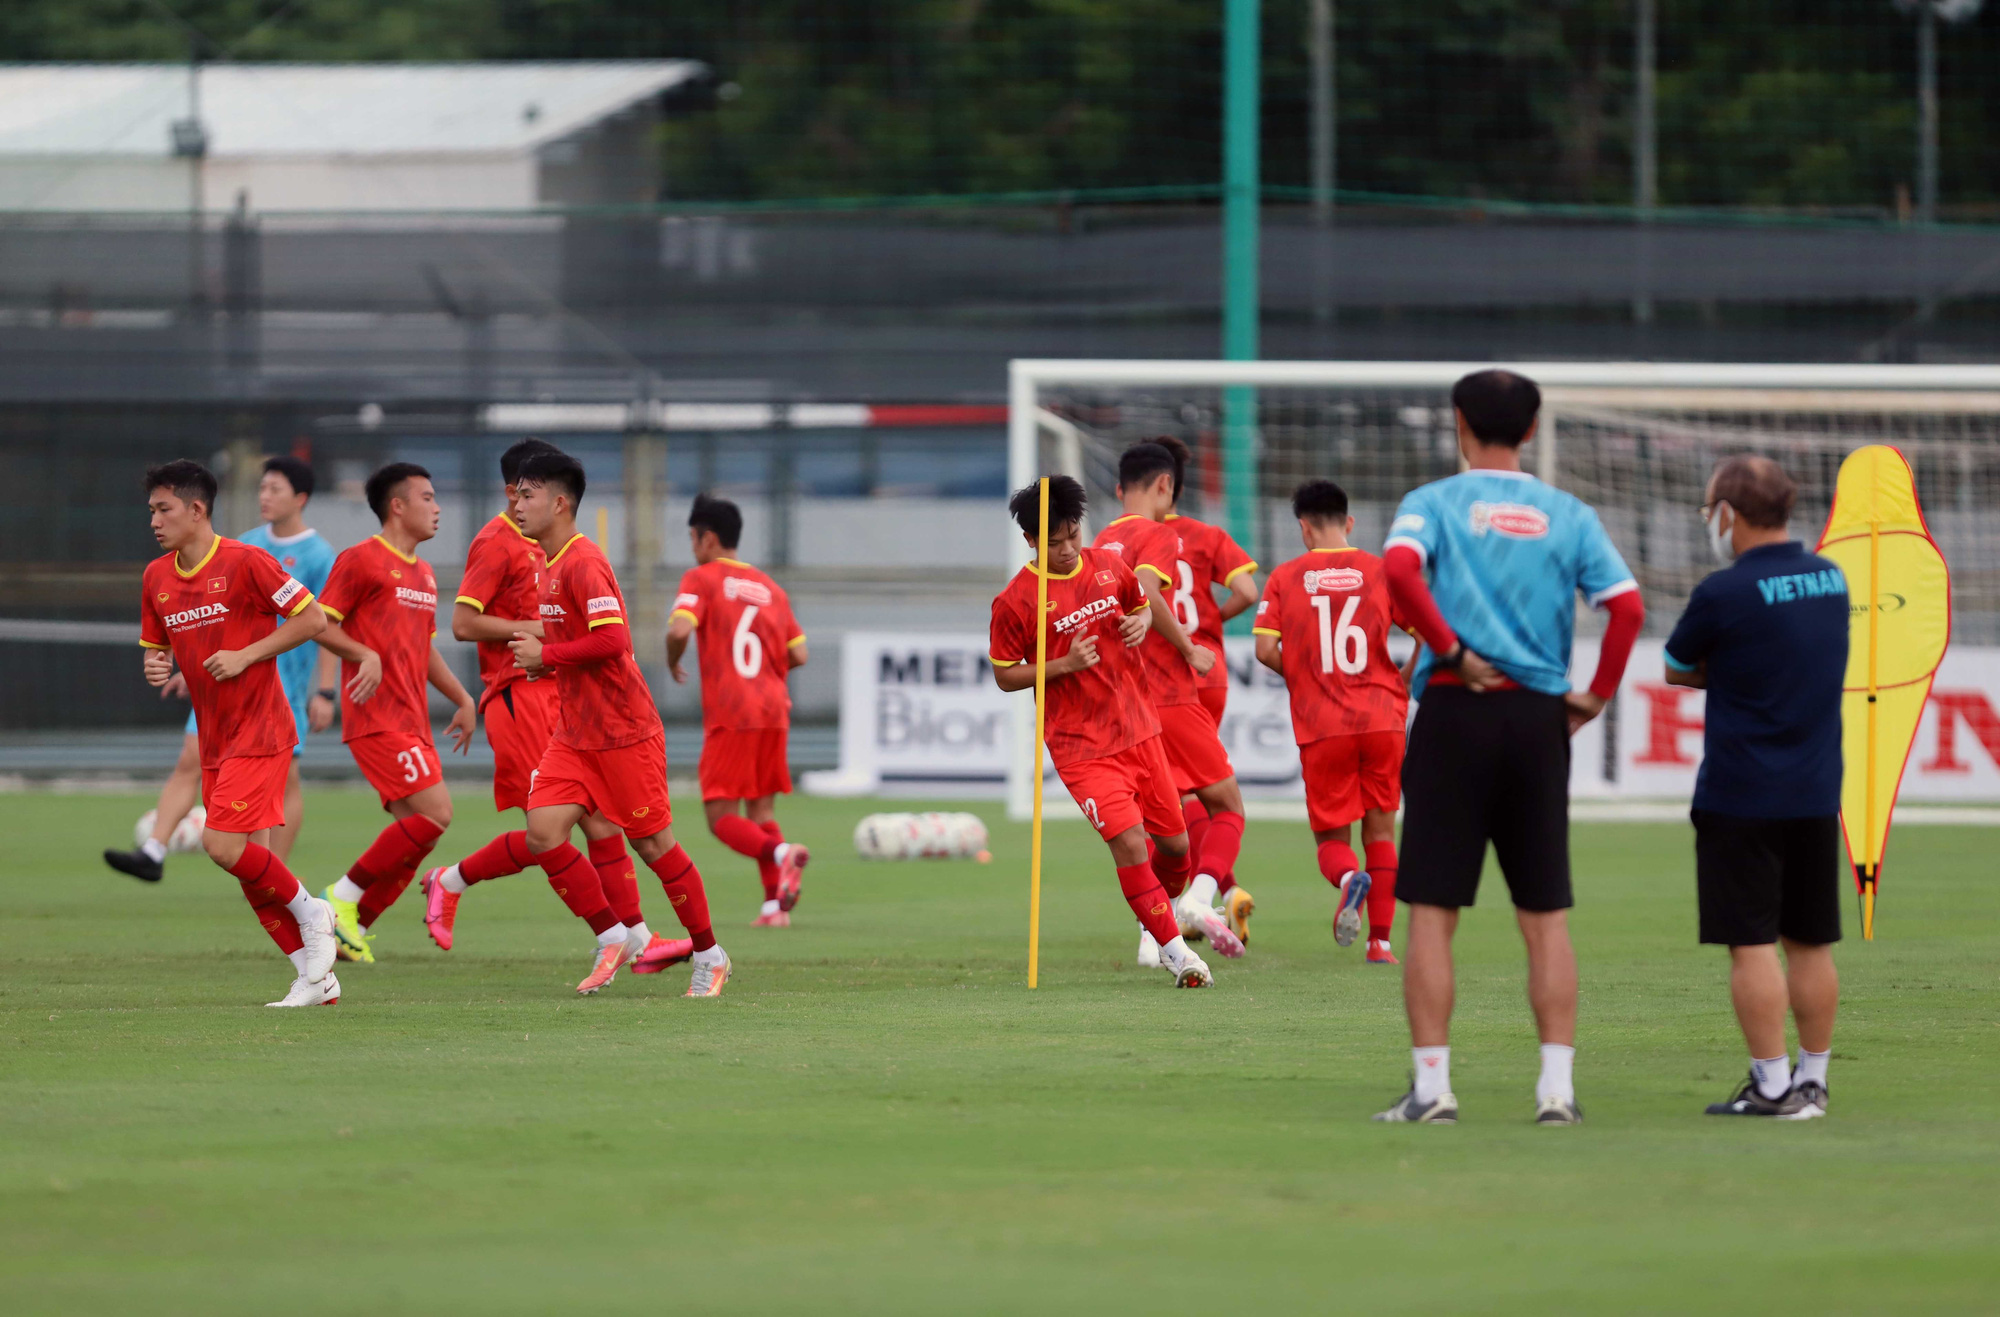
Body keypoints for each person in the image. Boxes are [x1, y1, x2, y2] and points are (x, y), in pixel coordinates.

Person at [1373, 369, 1645, 1125]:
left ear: (1458, 422)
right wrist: (1593, 696)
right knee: (1545, 913)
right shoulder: (1570, 513)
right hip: (1536, 719)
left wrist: (1451, 649)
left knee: (1432, 910)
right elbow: (1626, 607)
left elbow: (1398, 569)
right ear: (1531, 430)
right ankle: (1554, 1091)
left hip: (1458, 709)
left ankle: (1432, 1090)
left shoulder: (1431, 503)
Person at [430, 450, 729, 996]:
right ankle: (614, 934)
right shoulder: (547, 563)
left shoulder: (582, 561)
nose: (516, 504)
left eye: (527, 495)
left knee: (654, 845)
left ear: (560, 503)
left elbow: (615, 641)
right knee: (544, 833)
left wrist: (548, 658)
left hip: (622, 730)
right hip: (575, 733)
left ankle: (710, 953)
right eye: (516, 494)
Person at [1665, 456, 1846, 1120]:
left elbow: (1678, 664)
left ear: (1729, 515)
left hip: (1741, 792)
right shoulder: (1830, 579)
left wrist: (1734, 671)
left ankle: (1772, 1085)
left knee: (1751, 941)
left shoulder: (1723, 592)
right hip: (1816, 787)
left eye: (1709, 507)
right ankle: (1814, 1079)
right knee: (1810, 940)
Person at [990, 474, 1214, 988]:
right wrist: (1061, 665)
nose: (1068, 549)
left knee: (1176, 848)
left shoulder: (1112, 567)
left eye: (1073, 535)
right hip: (1080, 748)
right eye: (1054, 542)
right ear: (1029, 541)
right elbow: (1005, 675)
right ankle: (1179, 955)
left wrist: (1138, 625)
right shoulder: (1016, 601)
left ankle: (1154, 913)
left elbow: (1138, 609)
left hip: (1140, 730)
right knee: (1131, 844)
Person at [136, 459, 340, 1006]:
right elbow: (158, 649)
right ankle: (314, 979)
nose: (154, 521)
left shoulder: (248, 561)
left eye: (164, 509)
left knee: (221, 845)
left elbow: (314, 619)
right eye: (151, 510)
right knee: (254, 869)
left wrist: (248, 654)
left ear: (197, 510)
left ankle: (314, 910)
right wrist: (159, 666)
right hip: (215, 735)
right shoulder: (157, 577)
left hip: (263, 727)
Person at [104, 456, 334, 881]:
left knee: (283, 786)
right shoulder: (230, 546)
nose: (264, 496)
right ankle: (157, 849)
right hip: (215, 691)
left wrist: (325, 689)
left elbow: (323, 623)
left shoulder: (314, 555)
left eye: (274, 489)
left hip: (277, 691)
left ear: (300, 498)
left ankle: (280, 882)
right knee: (190, 763)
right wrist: (173, 667)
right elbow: (199, 624)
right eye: (261, 488)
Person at [311, 463, 477, 963]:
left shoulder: (424, 574)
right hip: (375, 718)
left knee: (420, 835)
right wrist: (364, 654)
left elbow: (424, 651)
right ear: (397, 506)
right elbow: (318, 623)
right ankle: (341, 897)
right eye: (427, 497)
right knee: (438, 813)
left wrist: (463, 698)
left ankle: (349, 929)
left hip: (413, 721)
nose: (438, 507)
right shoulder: (360, 560)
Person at [1091, 442, 1248, 964]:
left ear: (1119, 489)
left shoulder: (1101, 540)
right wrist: (1188, 646)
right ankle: (1201, 900)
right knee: (1224, 803)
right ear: (1167, 486)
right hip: (1173, 693)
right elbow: (1146, 589)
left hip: (1125, 701)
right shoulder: (1161, 533)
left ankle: (1150, 936)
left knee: (1164, 820)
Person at [1253, 480, 1408, 965]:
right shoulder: (1382, 572)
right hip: (1383, 719)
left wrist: (1306, 677)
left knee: (1331, 840)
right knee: (1381, 833)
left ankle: (1347, 880)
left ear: (1303, 528)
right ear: (1350, 522)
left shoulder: (1284, 576)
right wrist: (1402, 682)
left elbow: (1263, 649)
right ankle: (1380, 943)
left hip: (1324, 724)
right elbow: (1428, 632)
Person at [667, 494, 812, 927]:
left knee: (720, 817)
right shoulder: (771, 588)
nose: (693, 547)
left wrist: (674, 657)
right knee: (762, 813)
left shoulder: (702, 577)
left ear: (707, 538)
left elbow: (679, 628)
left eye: (693, 538)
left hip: (733, 711)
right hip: (773, 709)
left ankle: (782, 853)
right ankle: (774, 908)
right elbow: (799, 654)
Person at [1151, 435, 1260, 946]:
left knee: (1175, 792)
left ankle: (1186, 902)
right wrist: (1210, 622)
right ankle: (1222, 886)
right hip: (1209, 672)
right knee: (1206, 786)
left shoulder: (1131, 538)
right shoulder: (1206, 534)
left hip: (1165, 674)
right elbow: (1247, 592)